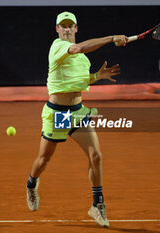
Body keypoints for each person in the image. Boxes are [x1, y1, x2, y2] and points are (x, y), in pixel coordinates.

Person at [26, 11, 128, 228]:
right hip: (57, 114)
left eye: (70, 25)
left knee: (96, 156)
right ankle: (31, 183)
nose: (66, 29)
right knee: (44, 159)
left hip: (77, 112)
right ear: (57, 30)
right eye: (62, 26)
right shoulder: (58, 46)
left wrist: (96, 77)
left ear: (76, 28)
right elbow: (79, 47)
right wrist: (111, 38)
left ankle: (97, 205)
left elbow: (78, 82)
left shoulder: (83, 59)